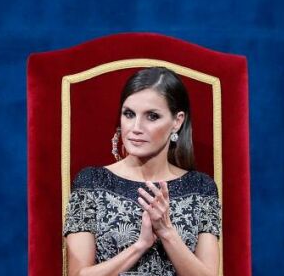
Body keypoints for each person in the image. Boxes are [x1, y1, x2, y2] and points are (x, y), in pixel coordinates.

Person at [63, 67, 221, 276]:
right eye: (129, 114)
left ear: (177, 121)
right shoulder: (91, 183)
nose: (136, 127)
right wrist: (140, 246)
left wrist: (166, 232)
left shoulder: (201, 188)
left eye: (152, 116)